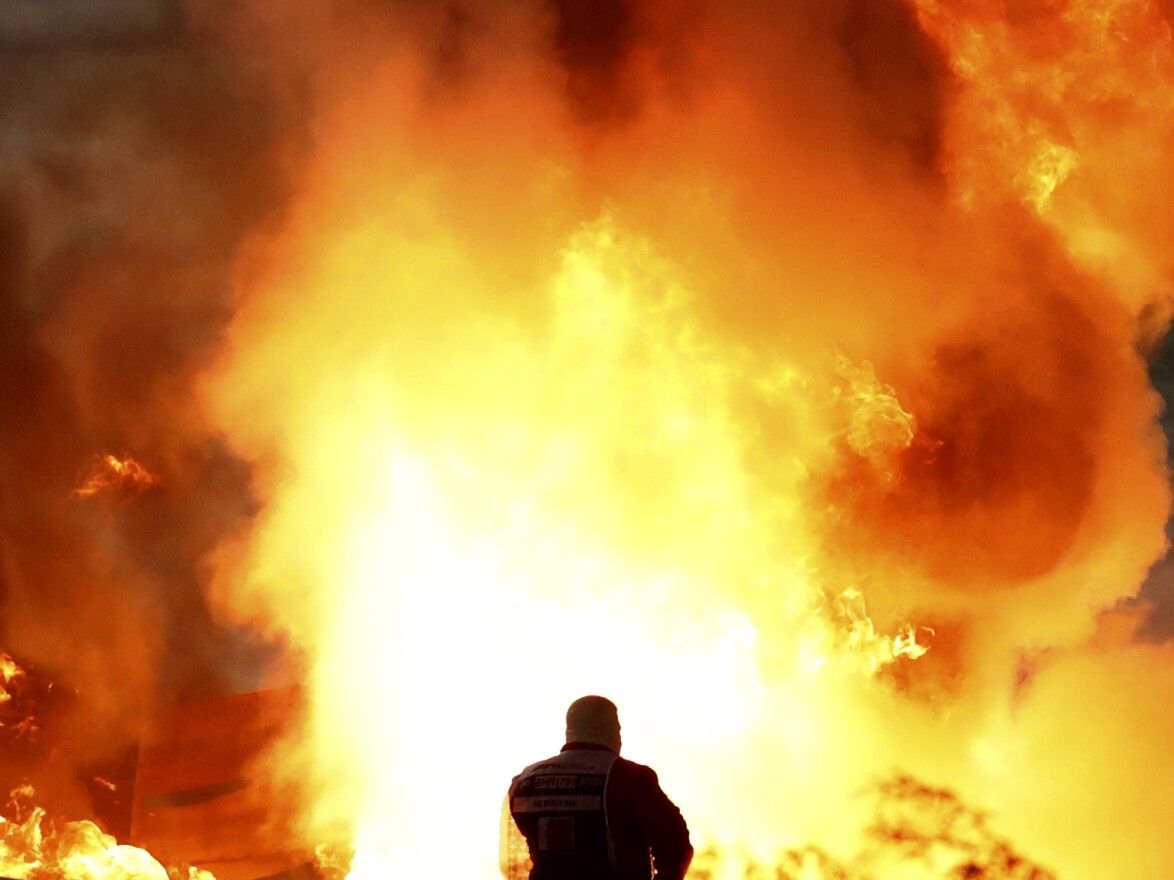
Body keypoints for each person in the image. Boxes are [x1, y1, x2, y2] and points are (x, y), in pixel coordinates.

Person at [504, 696, 693, 880]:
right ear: (608, 729)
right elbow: (676, 844)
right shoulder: (630, 778)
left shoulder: (524, 781)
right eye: (618, 729)